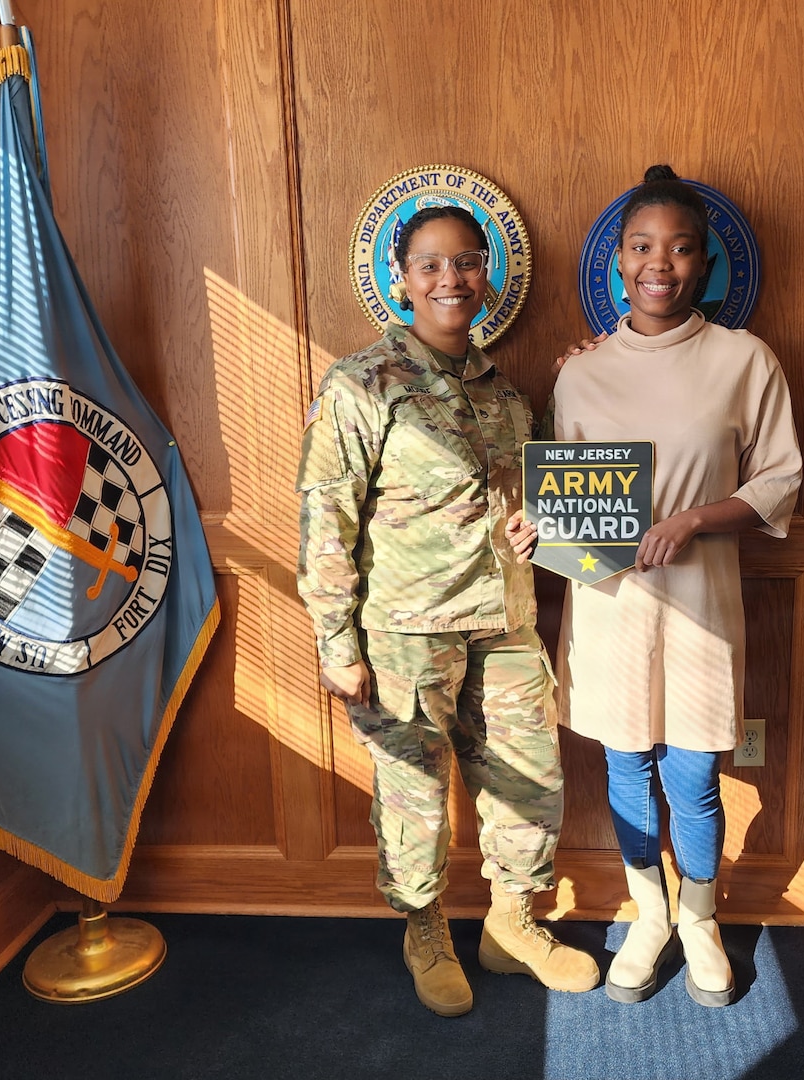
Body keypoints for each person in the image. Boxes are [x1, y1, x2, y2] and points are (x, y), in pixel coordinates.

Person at [508, 165, 802, 1007]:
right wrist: (536, 530)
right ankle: (649, 915)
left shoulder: (744, 359)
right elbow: (557, 492)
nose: (658, 264)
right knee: (625, 761)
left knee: (693, 771)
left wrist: (698, 518)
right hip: (606, 610)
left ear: (705, 263)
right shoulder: (580, 372)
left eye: (679, 249)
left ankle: (701, 920)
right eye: (641, 246)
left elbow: (779, 479)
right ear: (617, 261)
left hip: (702, 605)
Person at [295, 205, 598, 1017]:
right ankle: (424, 928)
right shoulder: (361, 384)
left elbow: (539, 497)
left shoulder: (507, 393)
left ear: (487, 276)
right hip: (405, 634)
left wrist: (586, 376)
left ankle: (512, 924)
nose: (449, 280)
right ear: (400, 280)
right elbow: (326, 515)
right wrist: (335, 642)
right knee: (414, 794)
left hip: (503, 623)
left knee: (529, 781)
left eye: (465, 262)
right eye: (430, 265)